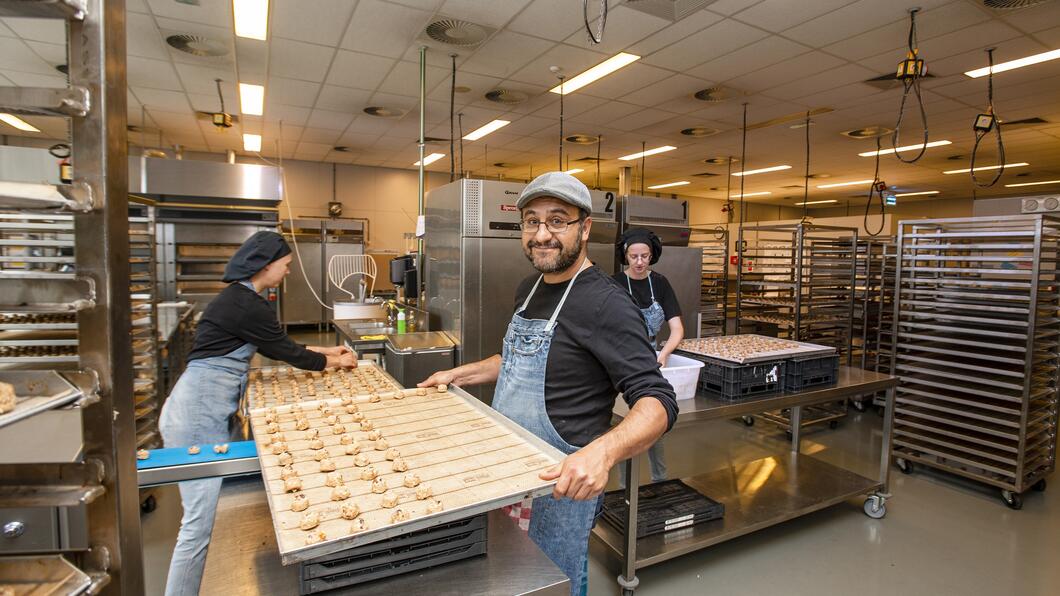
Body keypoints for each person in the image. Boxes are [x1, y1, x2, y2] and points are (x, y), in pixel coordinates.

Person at [419, 172, 678, 596]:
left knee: (555, 581)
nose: (542, 235)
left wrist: (603, 453)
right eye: (532, 221)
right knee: (515, 576)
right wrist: (457, 375)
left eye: (557, 220)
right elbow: (516, 358)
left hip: (562, 485)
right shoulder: (530, 287)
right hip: (511, 467)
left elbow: (659, 400)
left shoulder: (607, 303)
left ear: (585, 228)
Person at [158, 231, 357, 596]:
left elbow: (276, 343)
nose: (288, 272)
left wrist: (330, 351)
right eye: (286, 265)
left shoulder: (242, 299)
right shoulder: (246, 304)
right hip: (197, 415)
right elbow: (289, 353)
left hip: (208, 408)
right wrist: (335, 363)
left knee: (227, 499)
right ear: (266, 265)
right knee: (197, 525)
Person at [614, 227, 685, 485]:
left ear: (651, 255)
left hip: (650, 360)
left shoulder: (660, 283)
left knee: (654, 420)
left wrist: (663, 354)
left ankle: (660, 482)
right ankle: (624, 488)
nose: (639, 262)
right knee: (625, 426)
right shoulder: (615, 283)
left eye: (644, 256)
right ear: (625, 256)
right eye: (634, 256)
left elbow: (677, 329)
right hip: (620, 360)